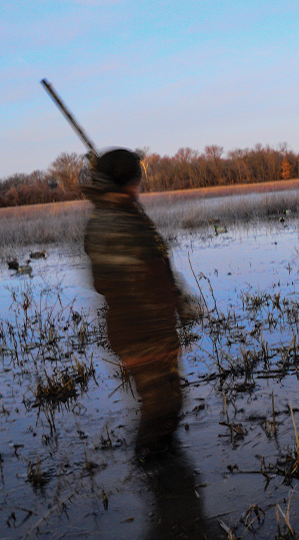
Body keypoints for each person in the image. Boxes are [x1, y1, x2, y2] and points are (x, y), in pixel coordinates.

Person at [82, 148, 187, 458]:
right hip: (142, 331)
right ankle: (155, 474)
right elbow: (120, 280)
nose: (139, 188)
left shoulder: (116, 215)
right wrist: (173, 305)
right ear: (126, 183)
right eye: (136, 181)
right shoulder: (113, 222)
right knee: (161, 407)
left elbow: (154, 269)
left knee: (168, 403)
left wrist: (177, 303)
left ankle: (163, 470)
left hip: (144, 328)